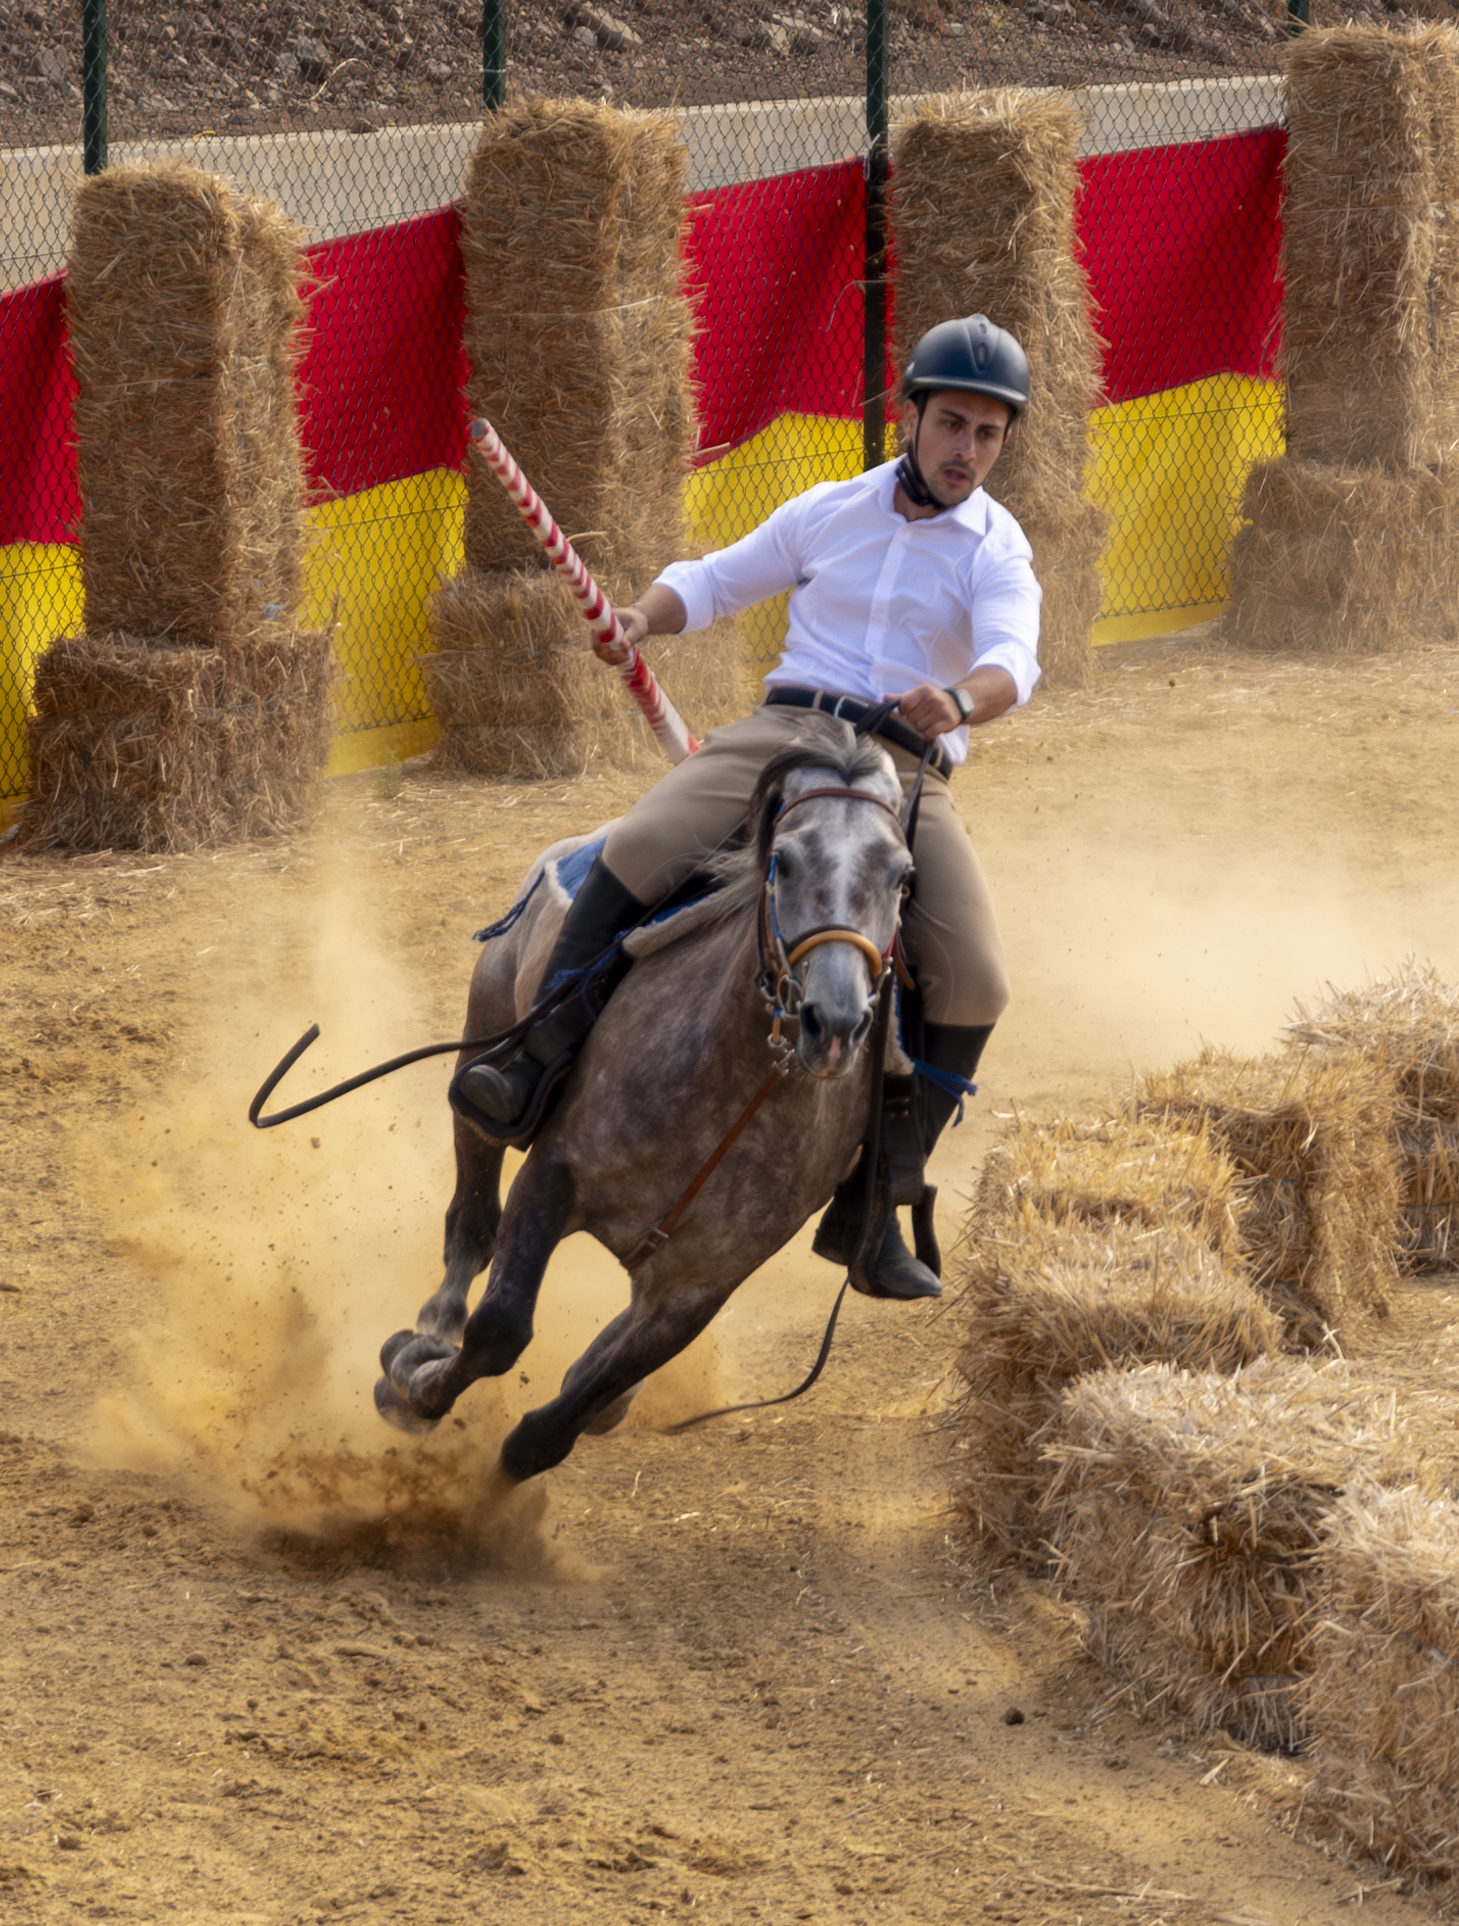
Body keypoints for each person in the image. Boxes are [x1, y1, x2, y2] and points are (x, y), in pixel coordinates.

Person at [453, 313, 1041, 1300]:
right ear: (910, 415)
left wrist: (962, 699)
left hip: (901, 772)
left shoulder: (998, 549)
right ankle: (532, 1057)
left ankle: (874, 1203)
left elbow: (1013, 658)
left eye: (987, 434)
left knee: (978, 980)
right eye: (952, 424)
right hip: (786, 738)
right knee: (638, 847)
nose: (966, 451)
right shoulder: (828, 509)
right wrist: (642, 616)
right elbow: (716, 582)